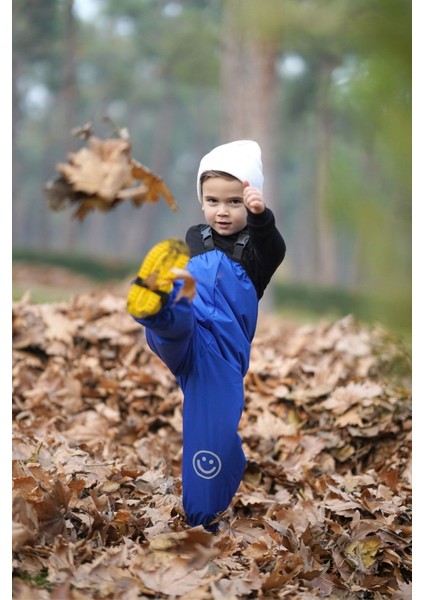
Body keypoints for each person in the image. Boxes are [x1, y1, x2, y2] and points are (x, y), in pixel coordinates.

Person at [127, 140, 286, 532]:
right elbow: (203, 258)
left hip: (220, 358)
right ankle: (158, 304)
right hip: (190, 329)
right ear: (201, 200)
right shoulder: (197, 235)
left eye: (234, 202)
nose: (222, 211)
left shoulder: (258, 251)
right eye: (213, 200)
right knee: (175, 319)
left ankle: (203, 521)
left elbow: (275, 247)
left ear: (248, 203)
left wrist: (261, 215)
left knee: (212, 436)